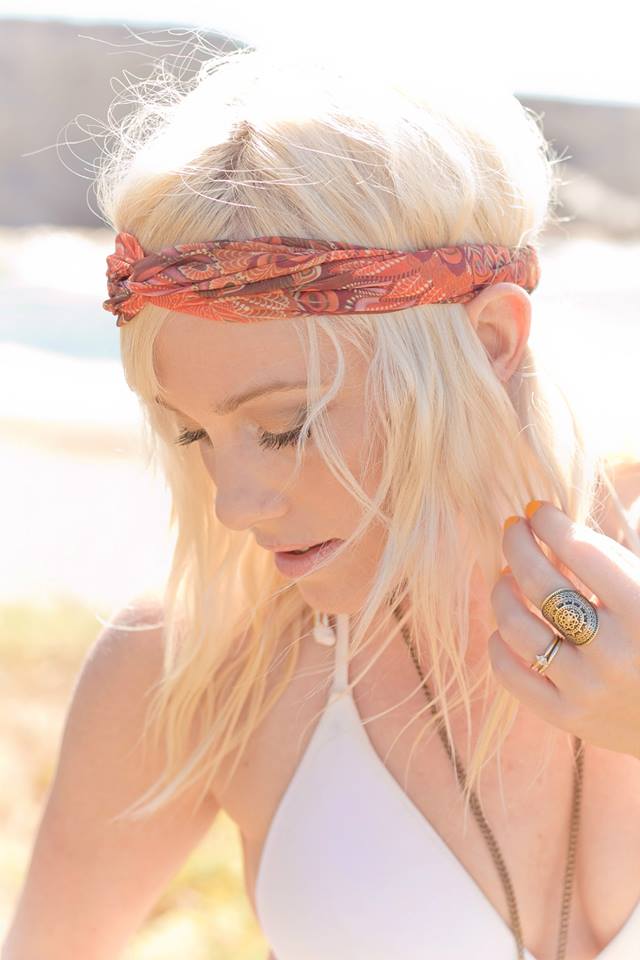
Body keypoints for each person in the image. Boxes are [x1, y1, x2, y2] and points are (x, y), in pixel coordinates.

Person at [4, 44, 640, 960]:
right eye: (192, 434)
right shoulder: (201, 665)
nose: (233, 504)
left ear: (491, 340)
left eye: (286, 425)